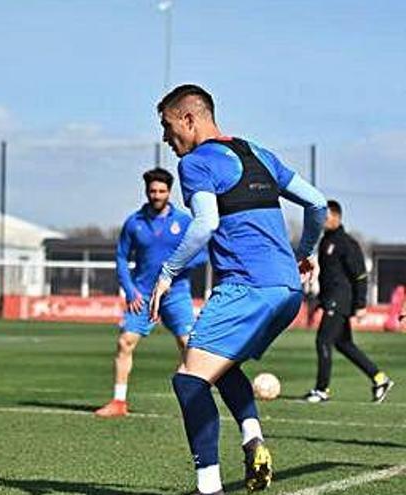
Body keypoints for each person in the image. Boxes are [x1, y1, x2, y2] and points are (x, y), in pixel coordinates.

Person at [148, 84, 326, 494]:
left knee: (189, 381)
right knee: (222, 365)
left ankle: (208, 487)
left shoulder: (195, 163)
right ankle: (252, 439)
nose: (164, 138)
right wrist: (303, 252)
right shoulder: (260, 152)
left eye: (166, 125)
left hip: (246, 287)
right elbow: (317, 203)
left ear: (189, 119)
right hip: (287, 291)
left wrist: (168, 272)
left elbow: (206, 223)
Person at [95, 167, 206, 418]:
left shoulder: (184, 221)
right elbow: (122, 258)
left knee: (188, 345)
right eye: (153, 191)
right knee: (125, 342)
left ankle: (196, 402)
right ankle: (119, 402)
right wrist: (130, 290)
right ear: (147, 191)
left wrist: (176, 269)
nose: (157, 195)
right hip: (142, 294)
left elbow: (202, 253)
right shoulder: (134, 223)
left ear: (169, 191)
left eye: (161, 191)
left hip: (175, 292)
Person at [303, 200, 393, 403]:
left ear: (336, 217)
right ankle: (380, 379)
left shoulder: (346, 243)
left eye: (326, 217)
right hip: (331, 300)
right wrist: (319, 302)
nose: (323, 221)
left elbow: (360, 276)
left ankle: (321, 390)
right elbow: (328, 276)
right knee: (344, 344)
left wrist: (361, 304)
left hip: (341, 301)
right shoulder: (326, 241)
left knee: (323, 341)